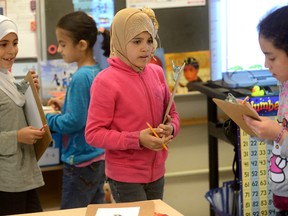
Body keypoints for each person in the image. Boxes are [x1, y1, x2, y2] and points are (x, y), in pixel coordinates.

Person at [85, 7, 180, 203]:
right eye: (137, 41)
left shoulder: (156, 72)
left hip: (157, 173)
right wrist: (137, 139)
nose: (146, 48)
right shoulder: (105, 81)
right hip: (124, 178)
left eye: (150, 40)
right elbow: (93, 134)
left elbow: (173, 115)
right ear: (120, 40)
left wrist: (170, 128)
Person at [45, 11, 110, 209]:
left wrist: (47, 119)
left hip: (80, 161)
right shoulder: (96, 71)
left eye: (63, 44)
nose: (60, 50)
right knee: (93, 210)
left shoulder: (81, 77)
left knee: (72, 213)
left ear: (81, 45)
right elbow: (88, 111)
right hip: (97, 157)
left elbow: (74, 121)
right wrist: (65, 105)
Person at [243, 5, 288, 216]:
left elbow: (282, 136)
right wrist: (259, 126)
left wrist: (278, 134)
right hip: (282, 196)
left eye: (271, 58)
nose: (266, 64)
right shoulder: (285, 86)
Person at [0, 15, 46, 215]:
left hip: (25, 173)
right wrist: (17, 136)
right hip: (6, 181)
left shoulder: (7, 79)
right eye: (3, 44)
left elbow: (12, 108)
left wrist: (29, 92)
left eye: (15, 43)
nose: (12, 51)